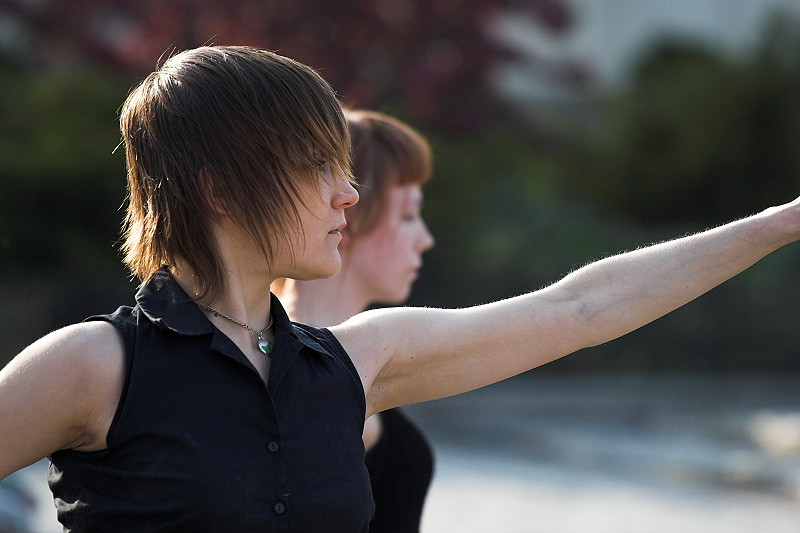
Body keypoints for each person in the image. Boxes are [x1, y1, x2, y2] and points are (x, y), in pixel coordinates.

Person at [1, 45, 799, 533]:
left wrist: (778, 223)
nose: (347, 193)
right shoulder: (94, 365)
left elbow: (580, 307)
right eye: (316, 168)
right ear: (219, 188)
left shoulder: (355, 361)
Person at [272, 108, 436, 533]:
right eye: (407, 215)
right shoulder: (301, 367)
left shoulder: (309, 351)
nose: (425, 239)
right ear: (349, 212)